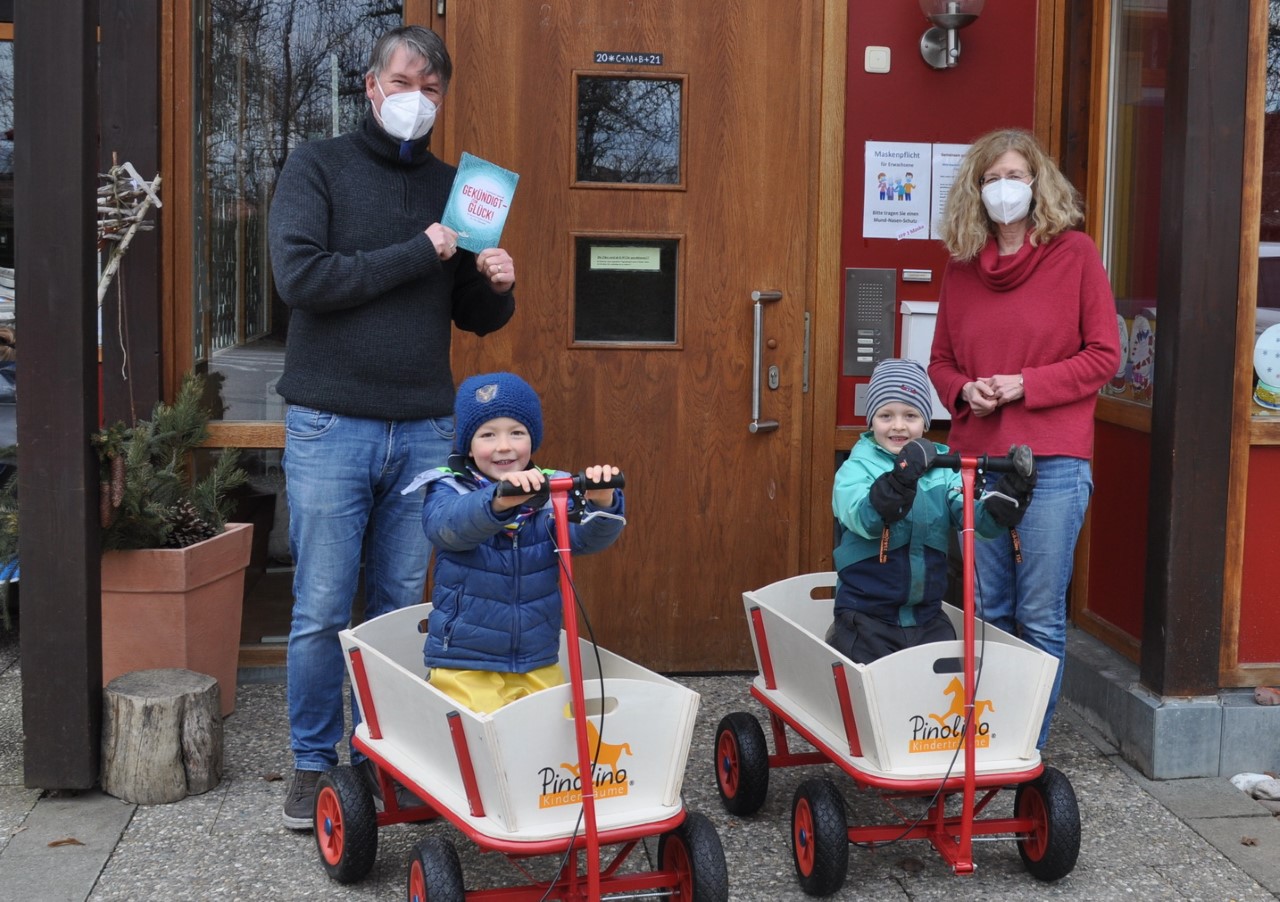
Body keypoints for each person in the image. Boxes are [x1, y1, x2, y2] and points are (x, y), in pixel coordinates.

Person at [267, 24, 517, 829]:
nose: (417, 99)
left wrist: (496, 285)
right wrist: (420, 250)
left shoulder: (459, 188)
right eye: (403, 83)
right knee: (320, 607)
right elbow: (301, 278)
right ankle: (313, 762)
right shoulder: (317, 166)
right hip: (329, 423)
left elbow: (468, 313)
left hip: (421, 429)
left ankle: (382, 755)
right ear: (371, 86)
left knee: (400, 604)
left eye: (431, 89)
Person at [928, 128, 1122, 749]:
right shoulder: (961, 267)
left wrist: (1024, 384)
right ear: (975, 191)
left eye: (1015, 176)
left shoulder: (1075, 255)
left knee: (1038, 613)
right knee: (988, 612)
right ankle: (986, 742)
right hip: (977, 460)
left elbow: (1105, 355)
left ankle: (1024, 747)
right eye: (991, 179)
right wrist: (966, 390)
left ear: (1038, 183)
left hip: (1054, 460)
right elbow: (940, 362)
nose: (1003, 189)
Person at [405, 372, 626, 713]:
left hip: (536, 656)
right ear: (468, 445)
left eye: (517, 433)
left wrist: (602, 501)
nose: (504, 446)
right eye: (488, 435)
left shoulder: (552, 491)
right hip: (464, 659)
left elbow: (586, 540)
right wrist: (498, 502)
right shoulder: (450, 487)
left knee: (555, 729)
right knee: (480, 731)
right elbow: (447, 529)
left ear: (532, 440)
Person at [829, 359, 1034, 664]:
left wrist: (1007, 499)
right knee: (874, 684)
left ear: (925, 423)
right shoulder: (856, 468)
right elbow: (867, 520)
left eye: (910, 415)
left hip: (926, 616)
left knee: (944, 681)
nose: (898, 425)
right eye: (886, 415)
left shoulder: (942, 470)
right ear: (871, 422)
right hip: (866, 616)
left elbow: (977, 523)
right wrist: (900, 479)